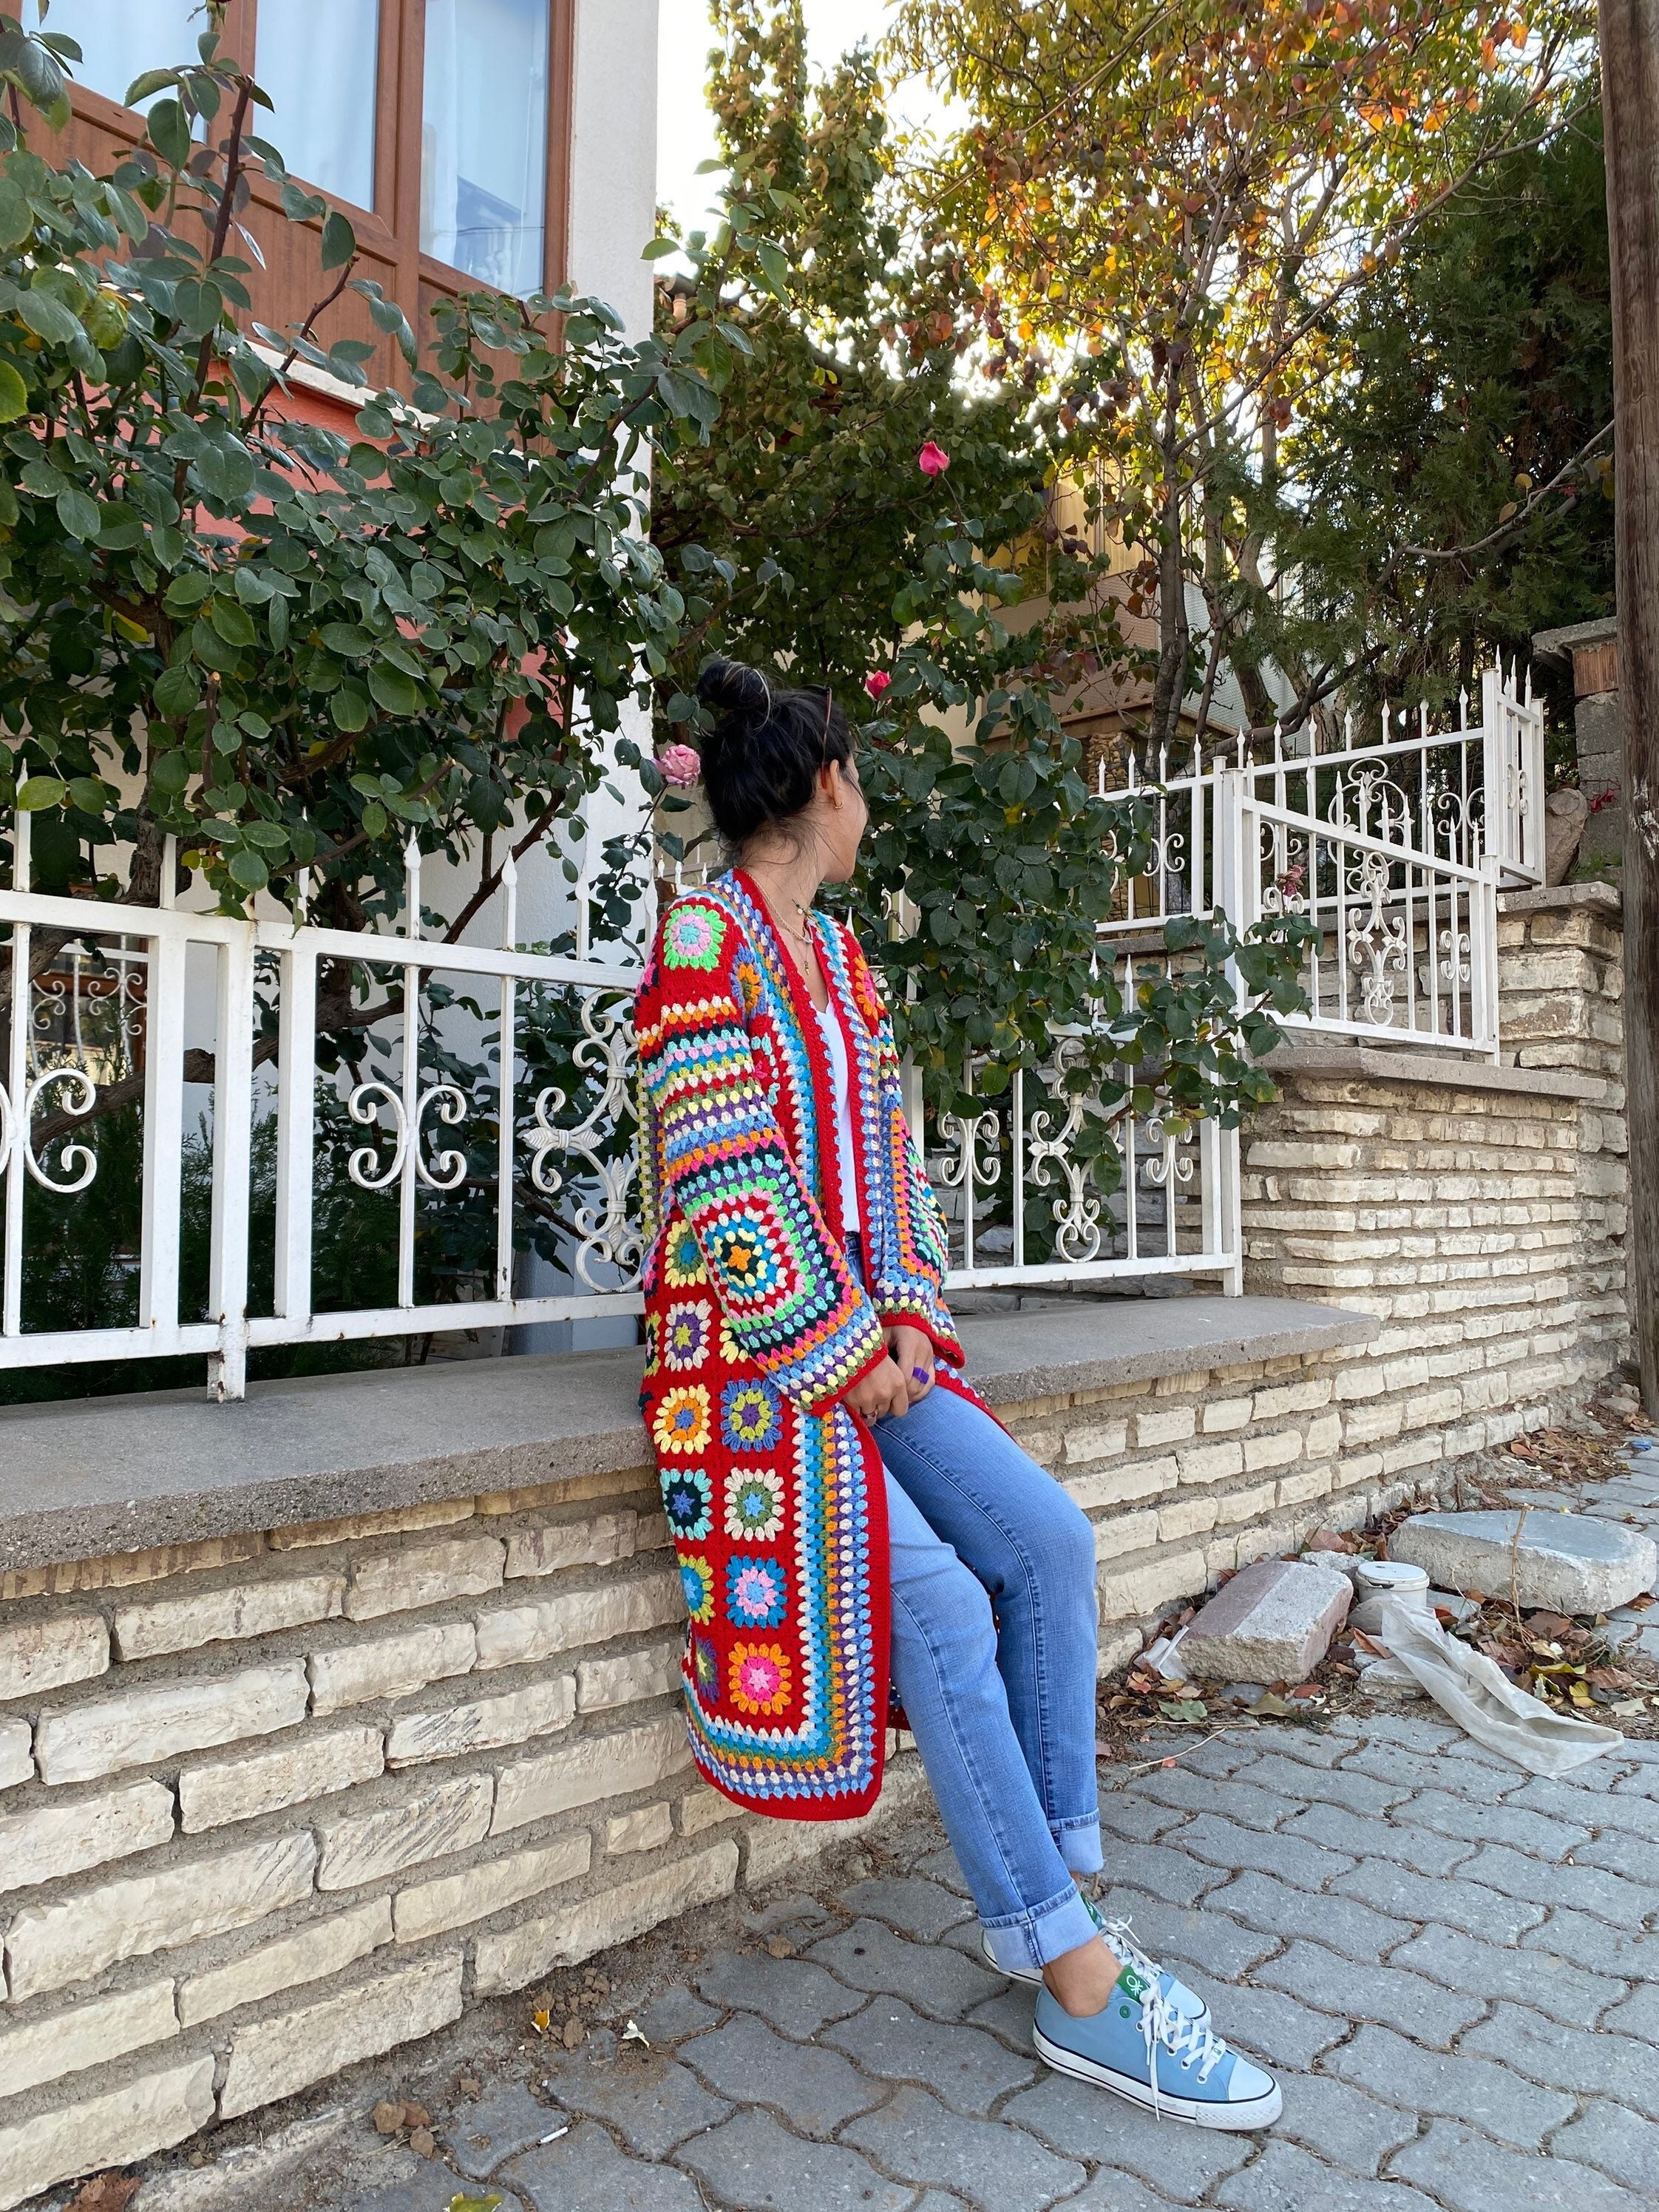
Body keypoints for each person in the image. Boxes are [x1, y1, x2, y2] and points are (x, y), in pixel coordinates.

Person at [632, 658, 1280, 2130]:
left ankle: (1045, 1896)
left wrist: (910, 1313)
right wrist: (846, 1349)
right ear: (823, 786)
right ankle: (1080, 1979)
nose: (869, 806)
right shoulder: (700, 940)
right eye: (861, 781)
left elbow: (897, 1163)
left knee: (1043, 1537)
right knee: (924, 1595)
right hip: (743, 1363)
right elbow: (726, 1178)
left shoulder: (844, 962)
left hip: (864, 1339)